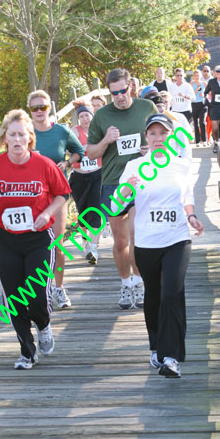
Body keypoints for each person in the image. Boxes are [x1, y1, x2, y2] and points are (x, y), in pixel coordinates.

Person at [0, 109, 71, 370]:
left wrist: (47, 212)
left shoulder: (44, 164)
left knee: (36, 295)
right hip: (6, 240)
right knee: (14, 298)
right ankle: (27, 351)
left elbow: (62, 194)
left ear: (29, 138)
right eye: (11, 134)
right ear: (5, 137)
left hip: (38, 239)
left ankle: (44, 325)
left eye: (21, 135)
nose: (16, 139)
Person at [112, 113, 204, 377]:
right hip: (147, 242)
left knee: (172, 292)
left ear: (171, 136)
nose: (158, 138)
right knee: (153, 296)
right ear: (146, 137)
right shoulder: (134, 167)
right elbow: (116, 207)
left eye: (163, 133)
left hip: (177, 238)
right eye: (153, 133)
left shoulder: (182, 165)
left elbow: (186, 196)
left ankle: (172, 357)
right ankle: (156, 346)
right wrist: (125, 190)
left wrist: (192, 216)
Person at [86, 68, 158, 309]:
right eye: (114, 92)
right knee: (120, 242)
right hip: (114, 184)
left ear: (131, 88)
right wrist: (106, 140)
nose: (119, 96)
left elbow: (163, 139)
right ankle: (125, 284)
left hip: (142, 180)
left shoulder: (147, 108)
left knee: (138, 235)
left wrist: (153, 149)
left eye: (123, 90)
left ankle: (139, 282)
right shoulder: (101, 116)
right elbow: (90, 153)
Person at [27, 90, 84, 308]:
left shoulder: (61, 131)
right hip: (31, 196)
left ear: (49, 109)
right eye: (35, 108)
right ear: (30, 111)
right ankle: (39, 291)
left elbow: (79, 151)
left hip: (58, 195)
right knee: (33, 247)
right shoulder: (26, 133)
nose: (39, 111)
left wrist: (67, 163)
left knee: (56, 244)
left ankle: (58, 289)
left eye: (43, 107)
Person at [70, 101, 102, 264]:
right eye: (81, 116)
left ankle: (93, 248)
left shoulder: (98, 130)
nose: (84, 118)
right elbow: (70, 149)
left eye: (87, 115)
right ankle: (85, 240)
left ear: (92, 115)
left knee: (96, 210)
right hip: (79, 177)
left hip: (97, 175)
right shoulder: (74, 132)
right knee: (83, 212)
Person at [191, 69, 207, 147]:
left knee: (202, 122)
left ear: (200, 76)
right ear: (193, 76)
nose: (197, 77)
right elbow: (190, 94)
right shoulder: (191, 84)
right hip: (194, 104)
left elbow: (208, 93)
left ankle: (204, 140)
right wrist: (196, 90)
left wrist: (203, 95)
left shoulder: (204, 83)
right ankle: (197, 141)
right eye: (195, 75)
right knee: (196, 123)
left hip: (202, 104)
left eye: (198, 75)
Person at [201, 65, 213, 143]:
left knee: (210, 120)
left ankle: (209, 136)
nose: (206, 72)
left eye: (207, 71)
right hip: (202, 102)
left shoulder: (212, 80)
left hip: (211, 102)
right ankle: (203, 137)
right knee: (202, 120)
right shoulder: (199, 80)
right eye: (204, 71)